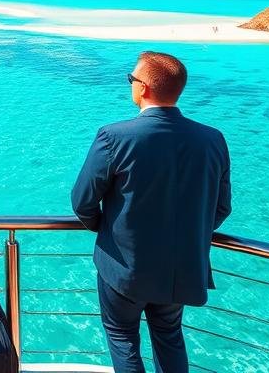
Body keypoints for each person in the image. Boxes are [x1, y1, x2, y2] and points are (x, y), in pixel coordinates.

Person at [71, 51, 232, 373]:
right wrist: (189, 236)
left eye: (131, 79)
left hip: (124, 266)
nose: (130, 84)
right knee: (170, 336)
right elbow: (222, 207)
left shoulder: (114, 136)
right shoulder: (213, 139)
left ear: (142, 88)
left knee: (122, 337)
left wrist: (105, 228)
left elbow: (83, 201)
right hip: (181, 268)